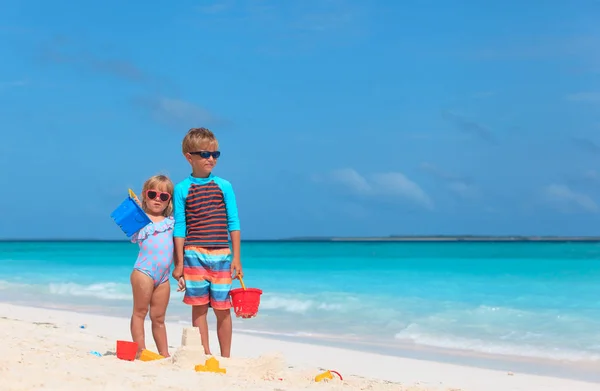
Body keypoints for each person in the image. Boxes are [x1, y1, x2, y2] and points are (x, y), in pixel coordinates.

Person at [172, 127, 243, 358]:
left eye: (215, 154)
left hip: (222, 255)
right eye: (205, 154)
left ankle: (226, 357)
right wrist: (179, 263)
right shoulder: (181, 189)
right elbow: (180, 227)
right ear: (189, 157)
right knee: (199, 307)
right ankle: (204, 354)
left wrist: (237, 257)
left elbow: (233, 222)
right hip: (193, 254)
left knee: (223, 309)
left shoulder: (224, 186)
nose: (211, 159)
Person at [129, 174, 175, 358]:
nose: (157, 199)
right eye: (152, 194)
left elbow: (179, 247)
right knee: (140, 312)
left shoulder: (172, 223)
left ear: (169, 201)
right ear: (145, 196)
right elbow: (126, 220)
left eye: (163, 196)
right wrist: (136, 208)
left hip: (164, 276)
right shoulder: (141, 220)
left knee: (159, 318)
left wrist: (181, 271)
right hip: (144, 272)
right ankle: (140, 350)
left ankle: (164, 354)